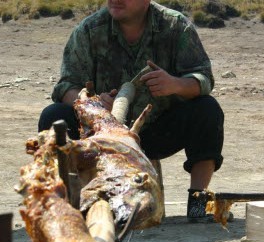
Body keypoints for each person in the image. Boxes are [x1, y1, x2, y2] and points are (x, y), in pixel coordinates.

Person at [39, 0, 225, 222]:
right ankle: (67, 205)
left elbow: (203, 77)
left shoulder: (175, 26)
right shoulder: (90, 30)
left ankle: (198, 203)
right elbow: (66, 86)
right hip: (100, 136)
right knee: (53, 117)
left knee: (207, 110)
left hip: (156, 131)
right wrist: (93, 104)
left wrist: (175, 84)